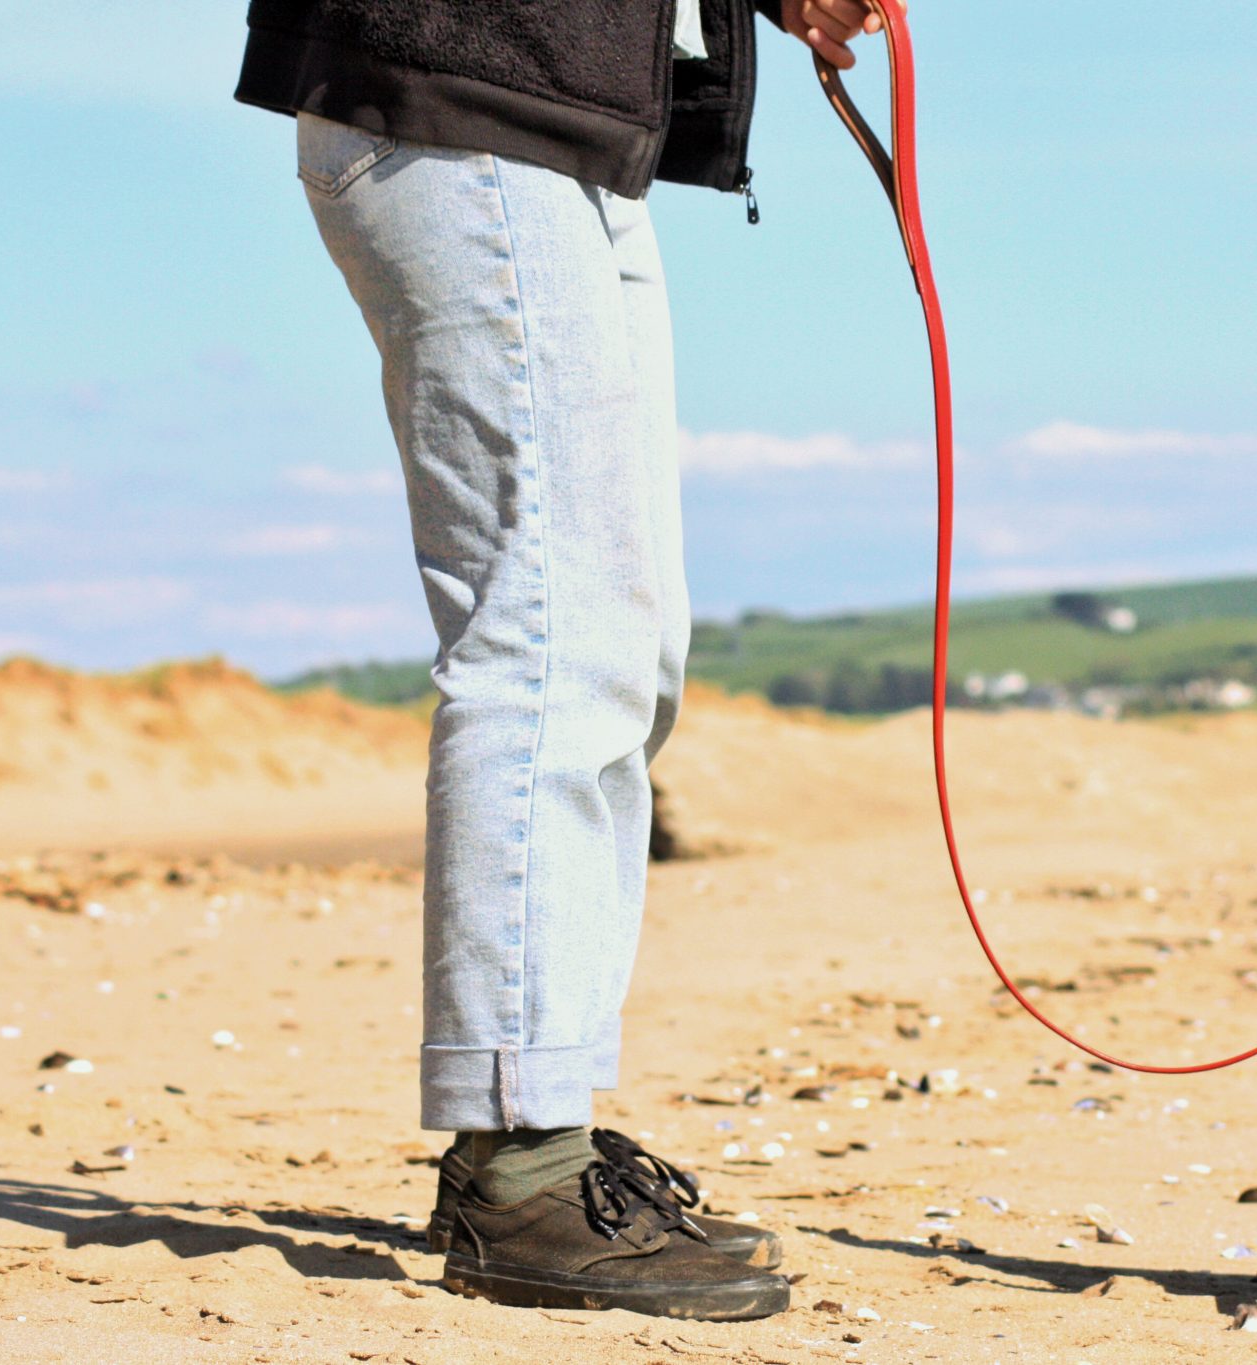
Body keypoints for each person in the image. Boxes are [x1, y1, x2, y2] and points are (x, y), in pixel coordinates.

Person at [234, 0, 897, 1322]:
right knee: (549, 635)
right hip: (468, 99)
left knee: (624, 649)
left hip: (561, 128)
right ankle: (521, 1161)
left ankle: (543, 1139)